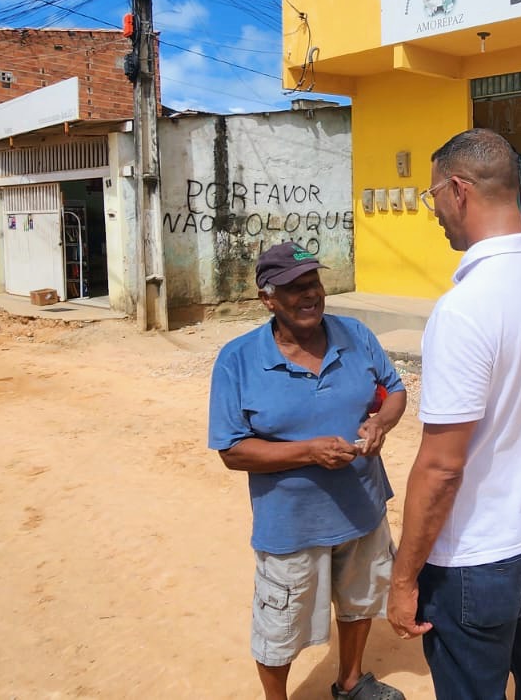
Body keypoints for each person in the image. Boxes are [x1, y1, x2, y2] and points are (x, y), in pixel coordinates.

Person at [388, 129, 521, 699]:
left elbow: (442, 467)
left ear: (458, 190)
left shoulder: (465, 308)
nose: (435, 214)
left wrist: (403, 579)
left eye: (432, 199)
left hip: (481, 554)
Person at [209, 241, 408, 700]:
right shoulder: (237, 359)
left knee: (359, 601)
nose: (309, 296)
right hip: (291, 525)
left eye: (313, 284)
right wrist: (308, 452)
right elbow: (232, 450)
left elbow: (393, 389)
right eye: (293, 288)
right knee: (280, 623)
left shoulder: (355, 334)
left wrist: (381, 422)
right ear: (268, 298)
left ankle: (351, 681)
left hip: (362, 507)